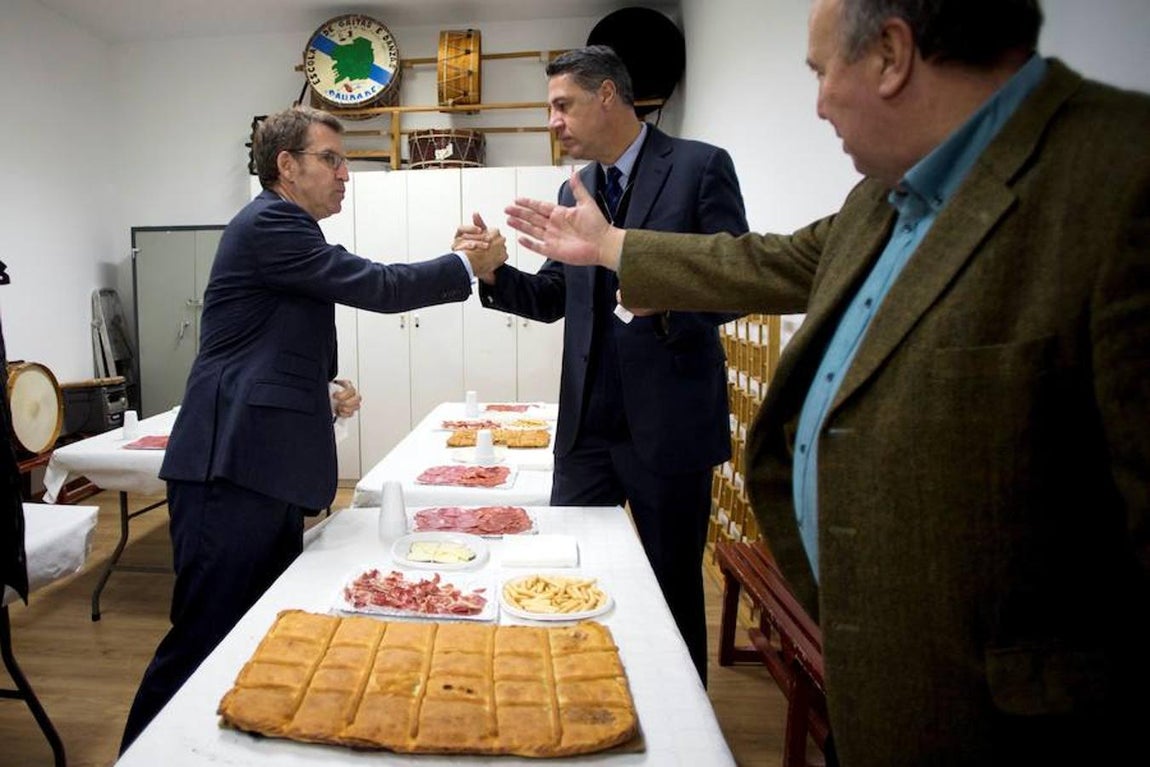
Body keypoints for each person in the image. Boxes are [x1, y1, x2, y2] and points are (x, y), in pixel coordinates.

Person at [504, 1, 1150, 764]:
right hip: (882, 672)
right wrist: (610, 249)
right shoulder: (884, 196)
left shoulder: (1120, 178)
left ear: (891, 55)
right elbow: (767, 262)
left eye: (820, 72)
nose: (817, 105)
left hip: (1005, 710)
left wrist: (628, 264)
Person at [120, 105, 507, 752]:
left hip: (258, 468)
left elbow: (258, 347)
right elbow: (379, 286)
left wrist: (319, 392)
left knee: (255, 627)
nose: (344, 173)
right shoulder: (270, 223)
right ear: (286, 165)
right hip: (229, 469)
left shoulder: (284, 230)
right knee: (204, 635)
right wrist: (465, 264)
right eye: (331, 159)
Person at [461, 45, 748, 682]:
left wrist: (660, 298)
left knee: (672, 586)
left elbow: (734, 286)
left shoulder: (699, 168)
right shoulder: (580, 188)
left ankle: (677, 716)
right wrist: (494, 271)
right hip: (587, 430)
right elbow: (553, 297)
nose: (553, 121)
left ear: (608, 96)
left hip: (669, 427)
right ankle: (572, 690)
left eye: (563, 105)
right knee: (565, 567)